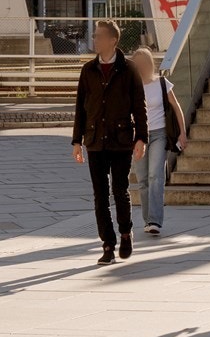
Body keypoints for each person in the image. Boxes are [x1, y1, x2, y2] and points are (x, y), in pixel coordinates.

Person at [71, 21, 148, 264]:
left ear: (113, 40)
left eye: (99, 36)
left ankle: (126, 233)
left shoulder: (129, 69)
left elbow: (139, 106)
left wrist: (142, 138)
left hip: (121, 139)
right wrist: (76, 141)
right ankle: (107, 243)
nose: (95, 40)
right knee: (100, 195)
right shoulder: (88, 70)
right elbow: (80, 109)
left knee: (120, 190)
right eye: (94, 36)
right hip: (95, 140)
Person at [128, 47, 186, 237]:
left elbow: (176, 108)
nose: (140, 67)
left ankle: (155, 220)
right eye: (137, 64)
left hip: (160, 133)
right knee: (143, 179)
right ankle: (147, 220)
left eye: (143, 63)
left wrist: (182, 133)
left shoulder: (162, 83)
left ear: (150, 64)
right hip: (139, 137)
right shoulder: (131, 86)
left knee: (155, 175)